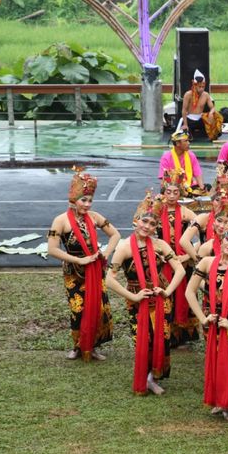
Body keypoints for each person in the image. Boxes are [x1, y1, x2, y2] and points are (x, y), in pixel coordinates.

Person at [106, 191, 186, 395]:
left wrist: (167, 291)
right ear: (136, 221)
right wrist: (133, 297)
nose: (148, 227)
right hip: (138, 300)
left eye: (152, 224)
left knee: (162, 338)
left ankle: (152, 377)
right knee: (143, 340)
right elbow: (109, 279)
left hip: (160, 299)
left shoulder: (161, 245)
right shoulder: (124, 248)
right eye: (145, 221)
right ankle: (146, 376)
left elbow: (180, 270)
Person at [184, 212, 228, 419]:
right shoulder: (206, 262)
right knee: (214, 358)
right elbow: (190, 291)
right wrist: (203, 317)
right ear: (221, 239)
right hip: (213, 318)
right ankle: (218, 399)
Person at [47, 168, 119, 361]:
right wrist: (79, 260)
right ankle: (78, 346)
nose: (87, 204)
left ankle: (93, 346)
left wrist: (104, 254)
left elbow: (116, 234)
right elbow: (52, 249)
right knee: (78, 309)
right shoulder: (60, 221)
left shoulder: (95, 217)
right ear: (73, 199)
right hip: (74, 271)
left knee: (97, 307)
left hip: (95, 269)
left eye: (90, 200)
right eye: (83, 200)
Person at [156, 170, 199, 348]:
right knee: (166, 295)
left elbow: (200, 240)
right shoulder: (156, 211)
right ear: (163, 192)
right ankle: (166, 334)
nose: (172, 196)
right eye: (169, 192)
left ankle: (182, 336)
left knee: (183, 295)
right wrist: (159, 254)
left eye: (176, 192)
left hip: (183, 261)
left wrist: (188, 255)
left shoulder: (189, 214)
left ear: (180, 193)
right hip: (162, 261)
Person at [159, 129, 205, 194]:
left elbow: (198, 174)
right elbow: (164, 180)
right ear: (177, 143)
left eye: (188, 141)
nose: (189, 143)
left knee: (207, 187)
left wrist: (202, 189)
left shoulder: (191, 155)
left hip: (189, 187)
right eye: (186, 141)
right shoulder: (166, 157)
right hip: (173, 189)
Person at [180, 69, 221, 140]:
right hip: (190, 119)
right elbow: (184, 110)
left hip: (201, 119)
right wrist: (185, 124)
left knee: (216, 115)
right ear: (195, 85)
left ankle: (211, 134)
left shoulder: (206, 95)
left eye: (203, 87)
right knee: (186, 138)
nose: (201, 89)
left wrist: (211, 113)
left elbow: (212, 107)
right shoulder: (188, 95)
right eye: (199, 87)